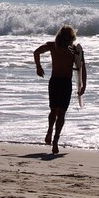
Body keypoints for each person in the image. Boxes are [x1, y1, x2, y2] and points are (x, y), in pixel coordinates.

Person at [33, 25, 87, 154]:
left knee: (61, 113)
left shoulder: (75, 50)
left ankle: (56, 140)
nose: (70, 41)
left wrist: (83, 84)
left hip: (65, 83)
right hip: (56, 81)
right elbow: (36, 52)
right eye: (69, 38)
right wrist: (38, 67)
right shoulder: (52, 46)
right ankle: (50, 130)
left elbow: (82, 68)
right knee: (54, 111)